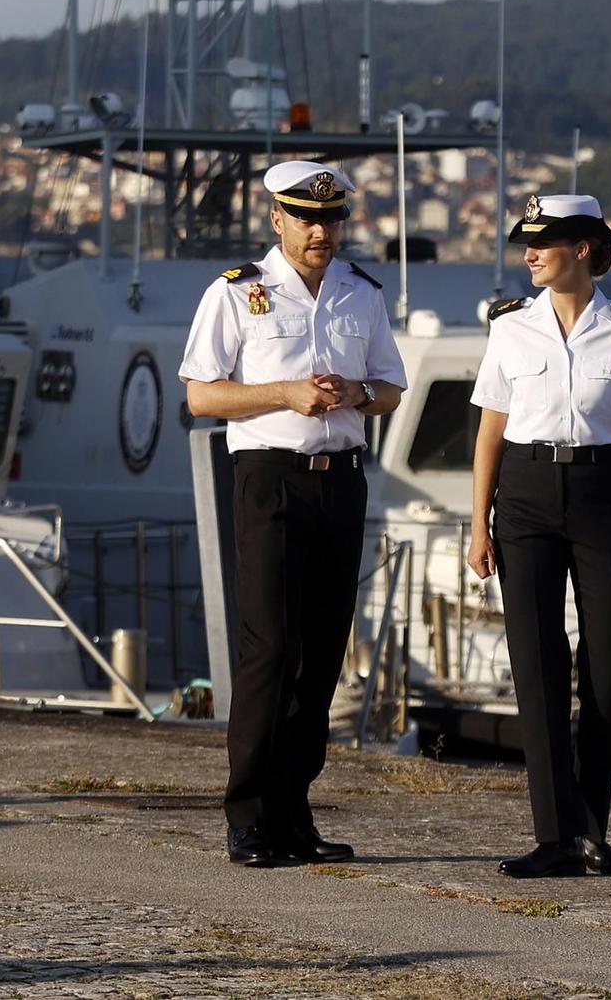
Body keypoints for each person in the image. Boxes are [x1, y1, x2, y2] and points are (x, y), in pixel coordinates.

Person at [179, 160, 407, 868]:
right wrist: (283, 392)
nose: (320, 231)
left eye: (331, 218)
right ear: (277, 218)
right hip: (270, 479)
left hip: (341, 481)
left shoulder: (361, 293)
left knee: (323, 651)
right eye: (306, 218)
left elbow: (391, 388)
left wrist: (356, 393)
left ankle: (293, 811)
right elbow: (202, 395)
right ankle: (249, 816)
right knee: (271, 648)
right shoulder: (236, 292)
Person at [465, 194, 611, 878]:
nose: (529, 253)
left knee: (606, 668)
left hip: (603, 496)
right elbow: (490, 432)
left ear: (583, 248)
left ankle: (592, 832)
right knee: (536, 667)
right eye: (526, 243)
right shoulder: (510, 329)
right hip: (525, 497)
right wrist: (478, 522)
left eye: (544, 242)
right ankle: (554, 836)